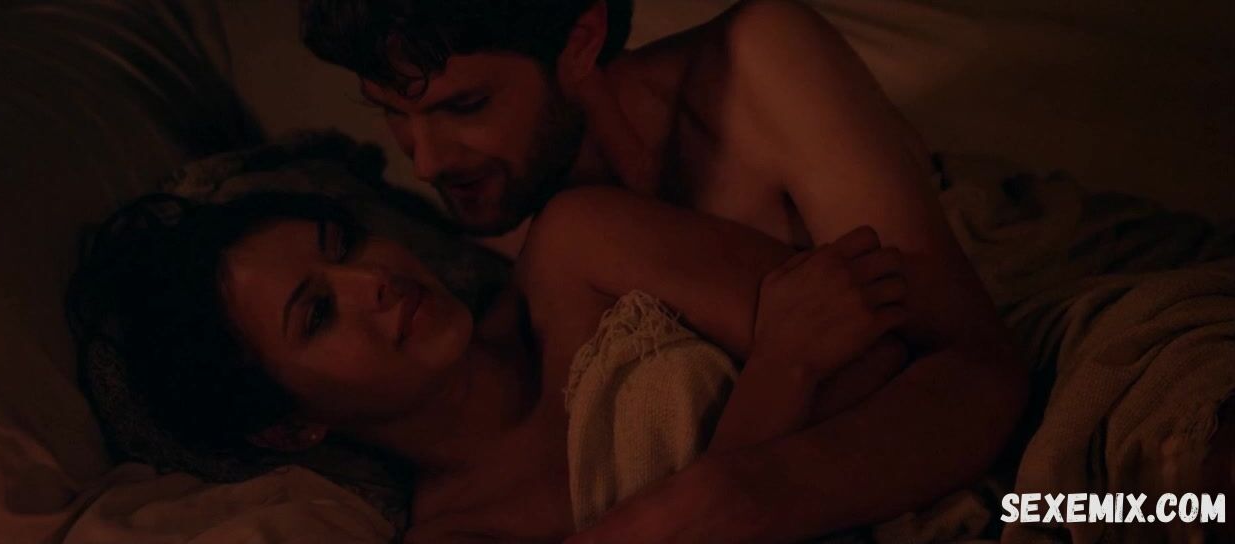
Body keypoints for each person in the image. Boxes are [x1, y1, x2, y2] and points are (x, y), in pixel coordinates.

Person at [300, 0, 1026, 541]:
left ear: (580, 41)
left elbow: (976, 368)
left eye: (465, 105)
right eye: (391, 113)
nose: (426, 162)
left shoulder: (758, 66)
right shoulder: (505, 233)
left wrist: (733, 493)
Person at [68, 186, 912, 542]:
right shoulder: (459, 538)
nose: (373, 280)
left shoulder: (579, 252)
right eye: (318, 313)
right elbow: (814, 359)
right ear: (290, 426)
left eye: (345, 243)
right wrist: (778, 375)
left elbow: (887, 366)